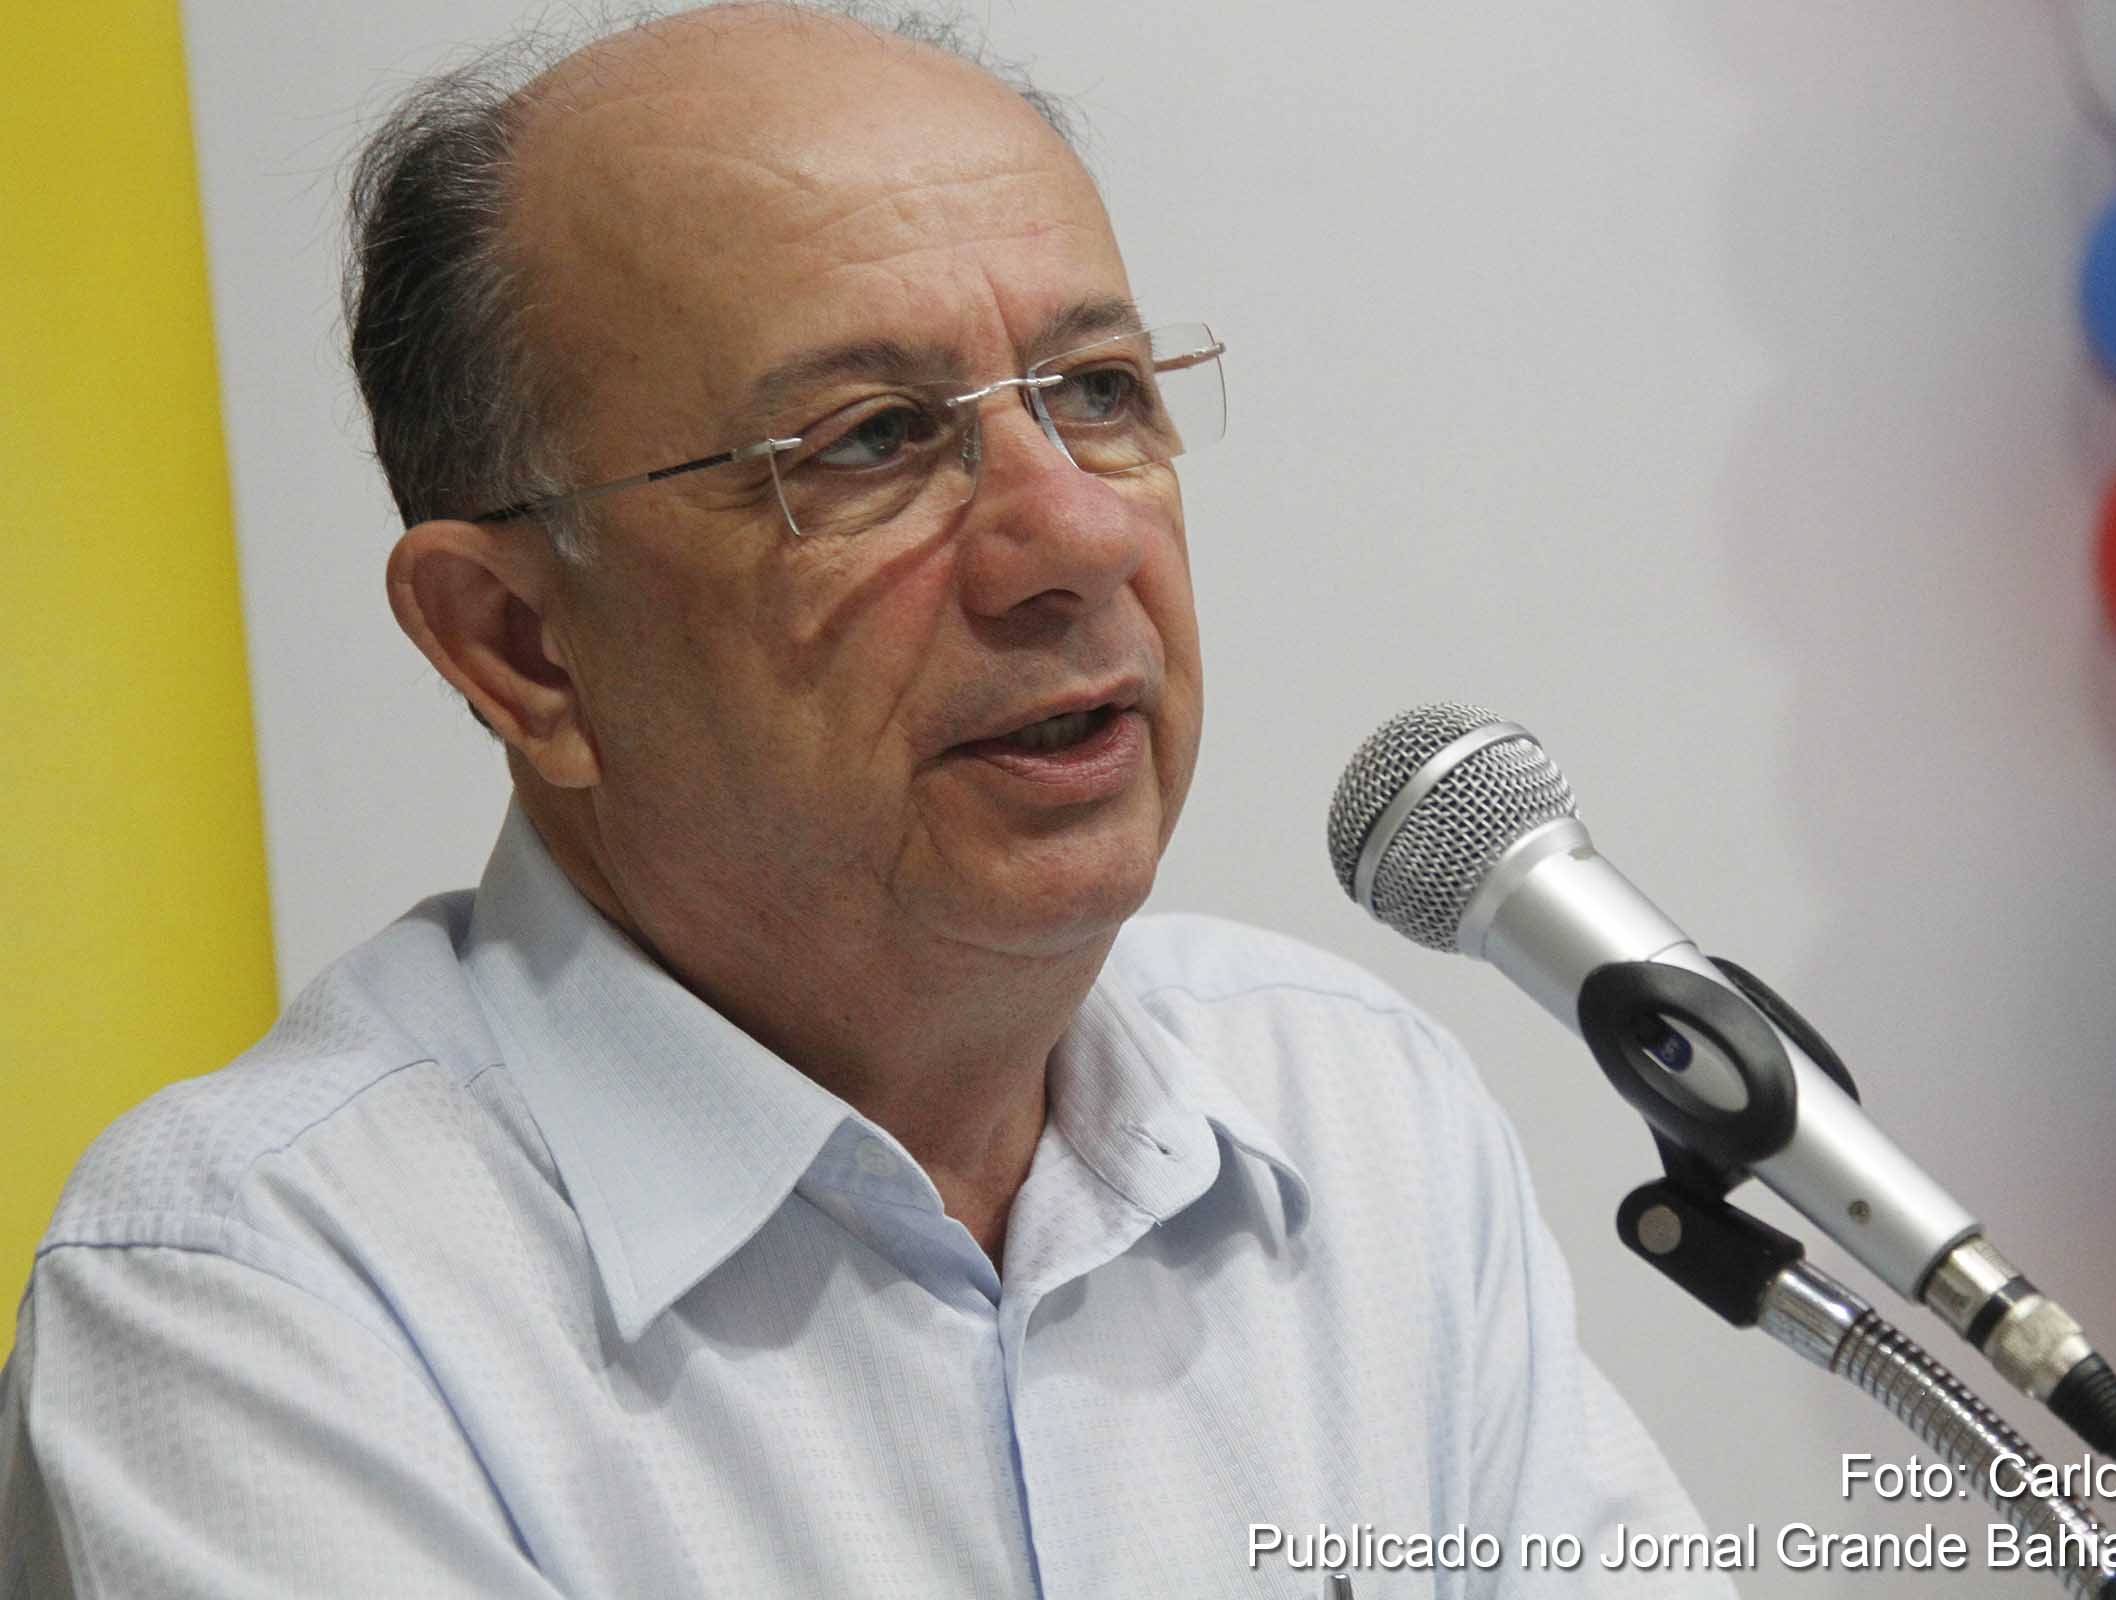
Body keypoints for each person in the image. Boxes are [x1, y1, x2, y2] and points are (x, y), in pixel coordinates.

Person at [1, 6, 1736, 1594]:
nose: (1072, 541)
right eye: (871, 441)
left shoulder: (1350, 1113)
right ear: (521, 645)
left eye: (1101, 394)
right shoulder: (265, 1305)